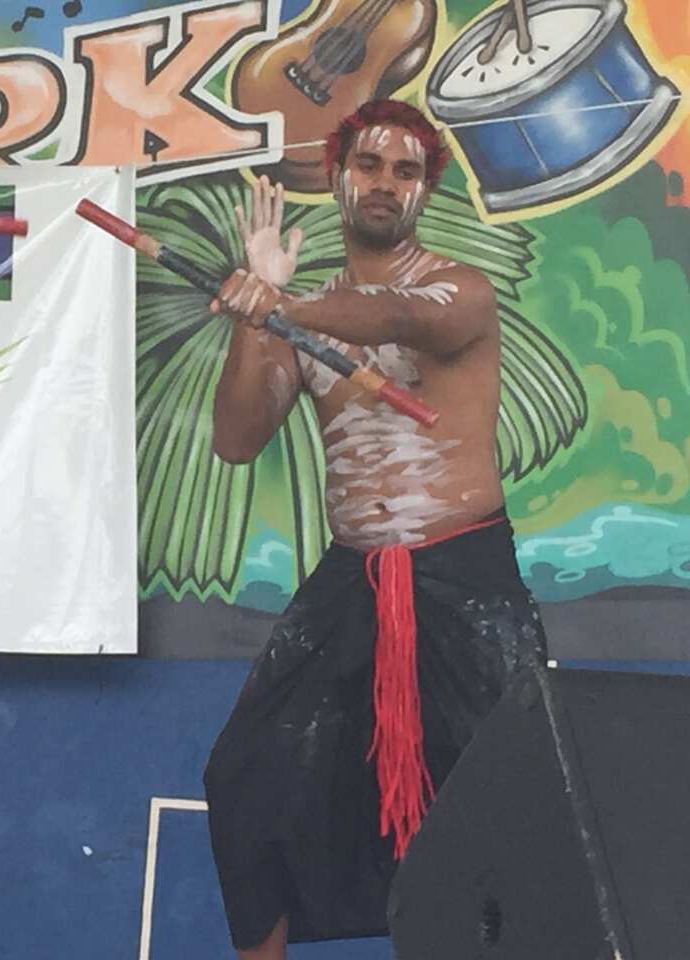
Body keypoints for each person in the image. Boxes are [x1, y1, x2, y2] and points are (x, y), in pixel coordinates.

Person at [203, 100, 547, 958]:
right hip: (353, 583)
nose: (385, 183)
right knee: (246, 782)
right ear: (337, 178)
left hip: (465, 578)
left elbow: (403, 320)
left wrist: (281, 304)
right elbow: (237, 440)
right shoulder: (298, 311)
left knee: (511, 802)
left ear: (426, 187)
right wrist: (258, 321)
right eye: (369, 166)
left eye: (405, 170)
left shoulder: (458, 289)